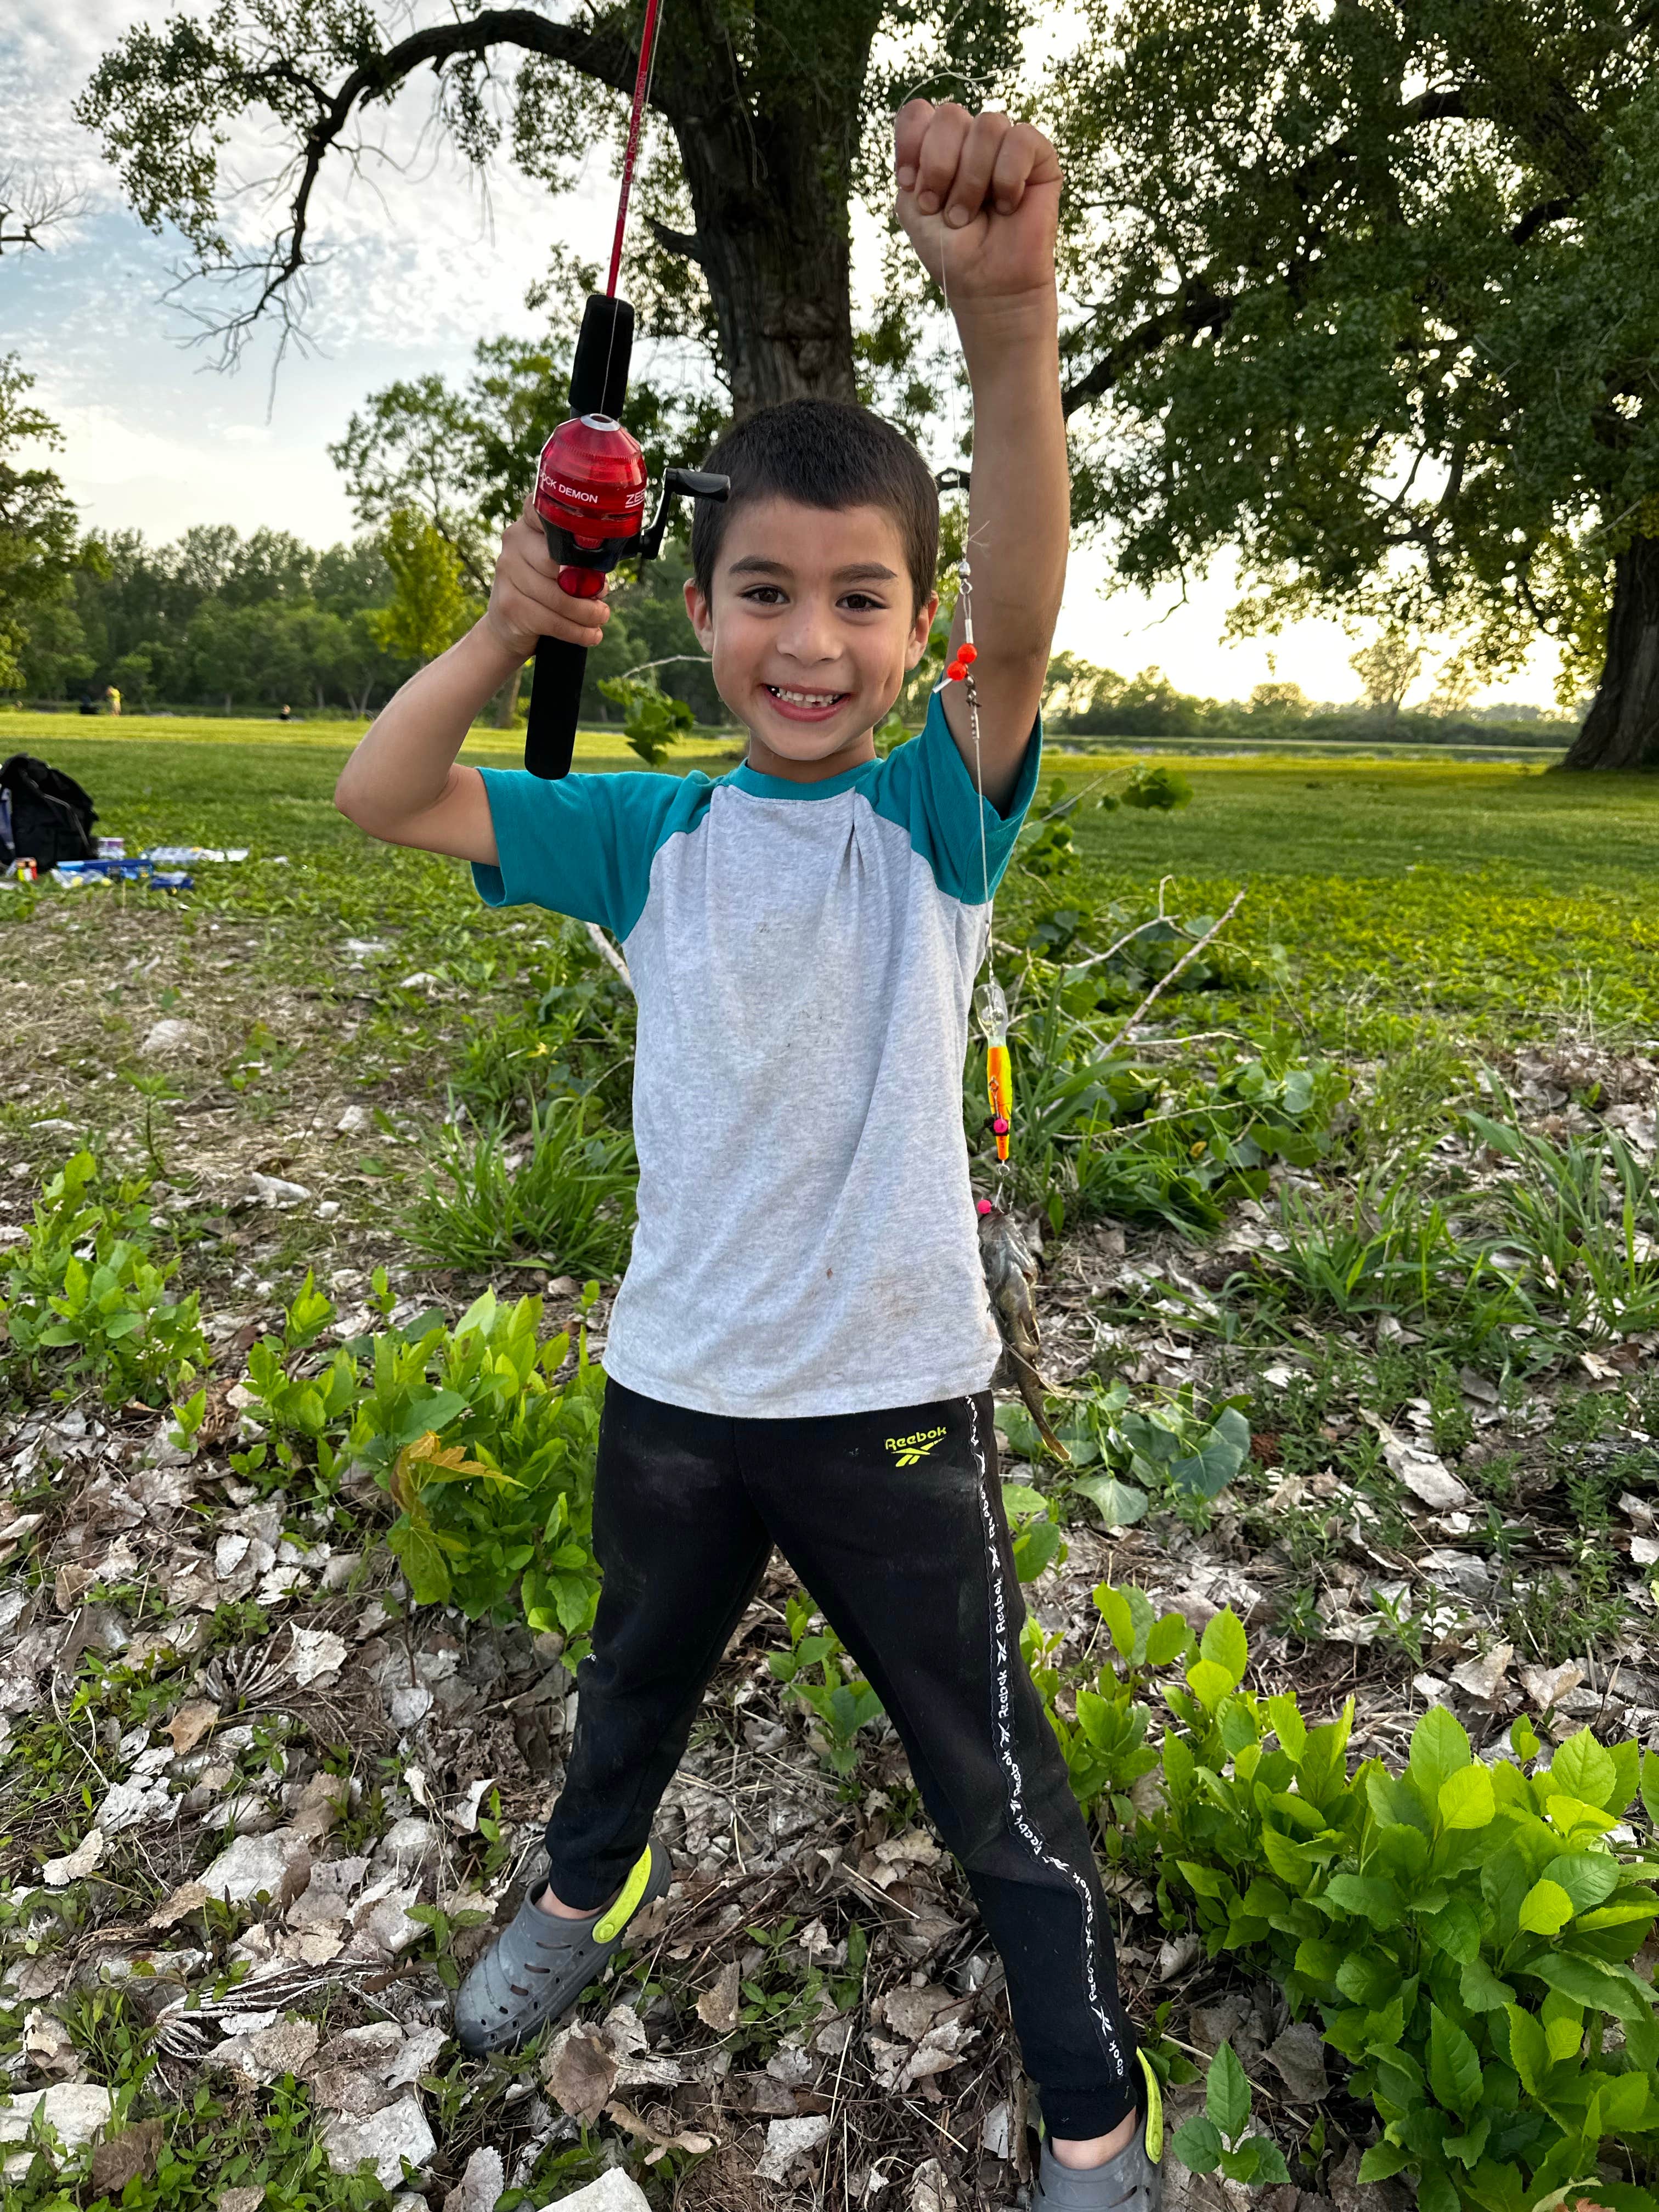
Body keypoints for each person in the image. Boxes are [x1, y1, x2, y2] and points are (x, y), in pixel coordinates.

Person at [334, 99, 1159, 2212]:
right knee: (630, 1685)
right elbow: (384, 792)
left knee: (988, 1777)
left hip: (891, 1400)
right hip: (677, 1388)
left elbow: (1030, 616)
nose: (811, 641)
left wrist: (1010, 324)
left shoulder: (936, 819)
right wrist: (511, 625)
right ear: (693, 608)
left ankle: (1091, 2104)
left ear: (919, 632)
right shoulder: (645, 832)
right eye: (765, 593)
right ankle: (583, 1890)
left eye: (862, 600)